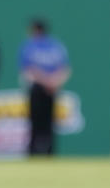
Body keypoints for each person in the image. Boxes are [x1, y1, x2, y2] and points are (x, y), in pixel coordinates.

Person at [19, 18, 71, 156]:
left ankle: (37, 153)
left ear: (35, 30)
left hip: (41, 88)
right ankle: (46, 153)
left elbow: (28, 68)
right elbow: (64, 69)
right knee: (44, 123)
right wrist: (53, 82)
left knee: (40, 122)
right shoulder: (56, 46)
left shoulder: (31, 45)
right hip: (50, 88)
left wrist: (47, 81)